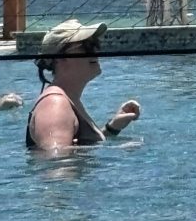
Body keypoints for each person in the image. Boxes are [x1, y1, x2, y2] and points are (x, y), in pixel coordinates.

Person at [26, 18, 141, 154]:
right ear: (60, 58)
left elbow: (72, 146)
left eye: (95, 44)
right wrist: (116, 149)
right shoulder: (55, 104)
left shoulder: (68, 100)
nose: (95, 50)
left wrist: (112, 128)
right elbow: (55, 158)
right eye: (87, 46)